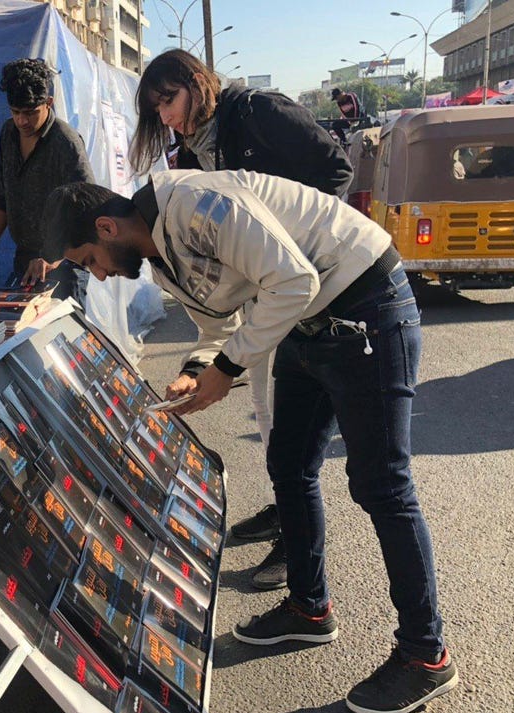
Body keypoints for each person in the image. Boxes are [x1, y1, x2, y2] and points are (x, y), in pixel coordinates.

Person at [40, 172, 457, 713]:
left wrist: (229, 368)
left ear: (105, 226)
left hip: (365, 307)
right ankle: (310, 610)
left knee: (383, 487)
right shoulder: (160, 256)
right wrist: (196, 370)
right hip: (307, 323)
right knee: (288, 465)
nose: (97, 273)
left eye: (90, 258)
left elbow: (292, 279)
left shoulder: (194, 205)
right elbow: (221, 324)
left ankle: (426, 656)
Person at [130, 49, 354, 590]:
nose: (166, 118)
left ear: (196, 82)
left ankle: (296, 547)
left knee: (295, 430)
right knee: (267, 411)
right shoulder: (188, 157)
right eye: (156, 110)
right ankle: (286, 513)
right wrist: (206, 355)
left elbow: (337, 170)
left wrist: (290, 247)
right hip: (264, 291)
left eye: (169, 100)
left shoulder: (257, 112)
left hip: (310, 284)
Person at [0, 58, 95, 299]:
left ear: (49, 103)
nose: (22, 121)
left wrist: (52, 258)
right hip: (24, 259)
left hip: (66, 264)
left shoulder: (66, 142)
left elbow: (88, 211)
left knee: (61, 335)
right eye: (15, 112)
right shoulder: (8, 134)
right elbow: (1, 199)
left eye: (30, 113)